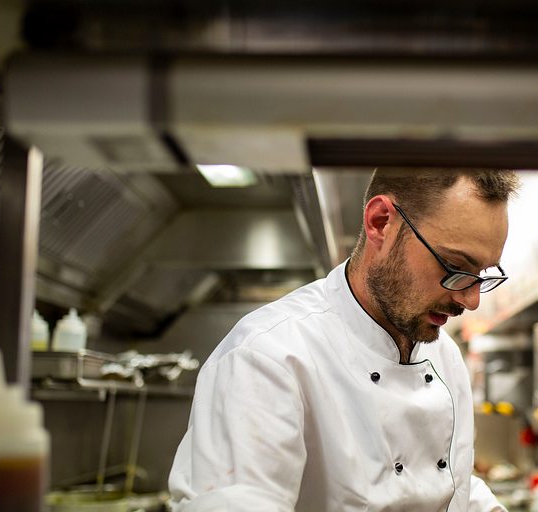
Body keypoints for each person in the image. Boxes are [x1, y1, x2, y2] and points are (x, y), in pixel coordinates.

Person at [169, 168, 519, 511]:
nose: (471, 300)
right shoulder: (268, 356)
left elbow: (450, 486)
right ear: (381, 222)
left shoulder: (446, 357)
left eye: (482, 274)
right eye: (455, 266)